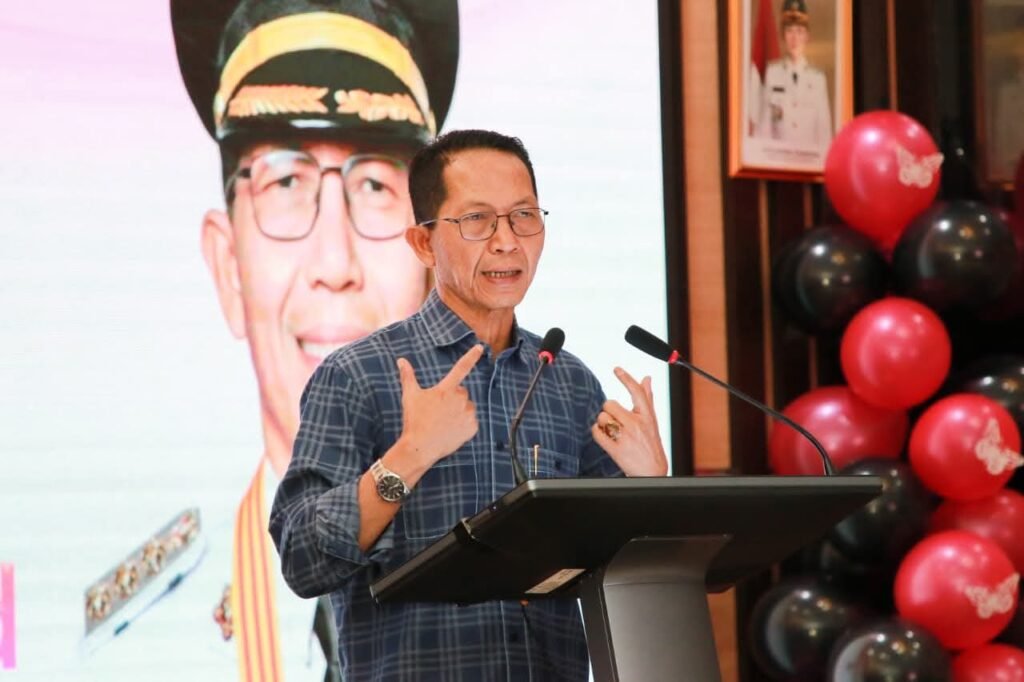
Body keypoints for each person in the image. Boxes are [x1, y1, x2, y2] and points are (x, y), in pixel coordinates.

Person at [82, 1, 458, 679]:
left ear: (432, 261)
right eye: (286, 182)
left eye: (376, 184)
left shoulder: (513, 569)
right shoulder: (135, 648)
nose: (335, 264)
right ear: (228, 267)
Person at [269, 129, 670, 681]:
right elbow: (302, 559)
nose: (507, 242)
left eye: (524, 216)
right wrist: (407, 458)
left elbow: (618, 571)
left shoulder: (568, 381)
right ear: (423, 243)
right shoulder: (357, 375)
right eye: (477, 220)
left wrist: (649, 489)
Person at [758, 0, 832, 150]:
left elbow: (824, 130)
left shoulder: (817, 79)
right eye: (789, 31)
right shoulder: (773, 73)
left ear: (807, 36)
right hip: (778, 157)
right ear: (783, 35)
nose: (794, 38)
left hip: (808, 158)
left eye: (799, 31)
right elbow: (765, 125)